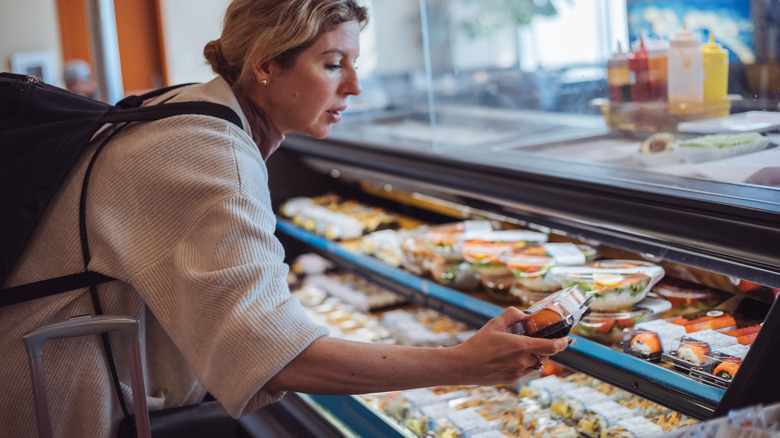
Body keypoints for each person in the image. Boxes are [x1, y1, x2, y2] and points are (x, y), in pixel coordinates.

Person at [0, 0, 569, 436]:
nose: (354, 85)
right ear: (267, 64)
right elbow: (276, 359)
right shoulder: (207, 150)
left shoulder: (182, 107)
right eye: (332, 64)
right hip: (45, 403)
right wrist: (462, 363)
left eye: (353, 63)